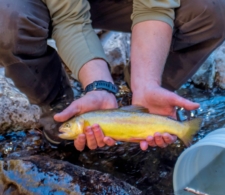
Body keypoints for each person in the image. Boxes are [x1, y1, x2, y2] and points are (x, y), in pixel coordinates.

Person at [0, 0, 224, 151]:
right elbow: (70, 20)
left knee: (214, 8)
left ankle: (142, 99)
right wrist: (99, 85)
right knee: (6, 17)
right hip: (45, 6)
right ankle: (61, 108)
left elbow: (154, 7)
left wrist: (146, 82)